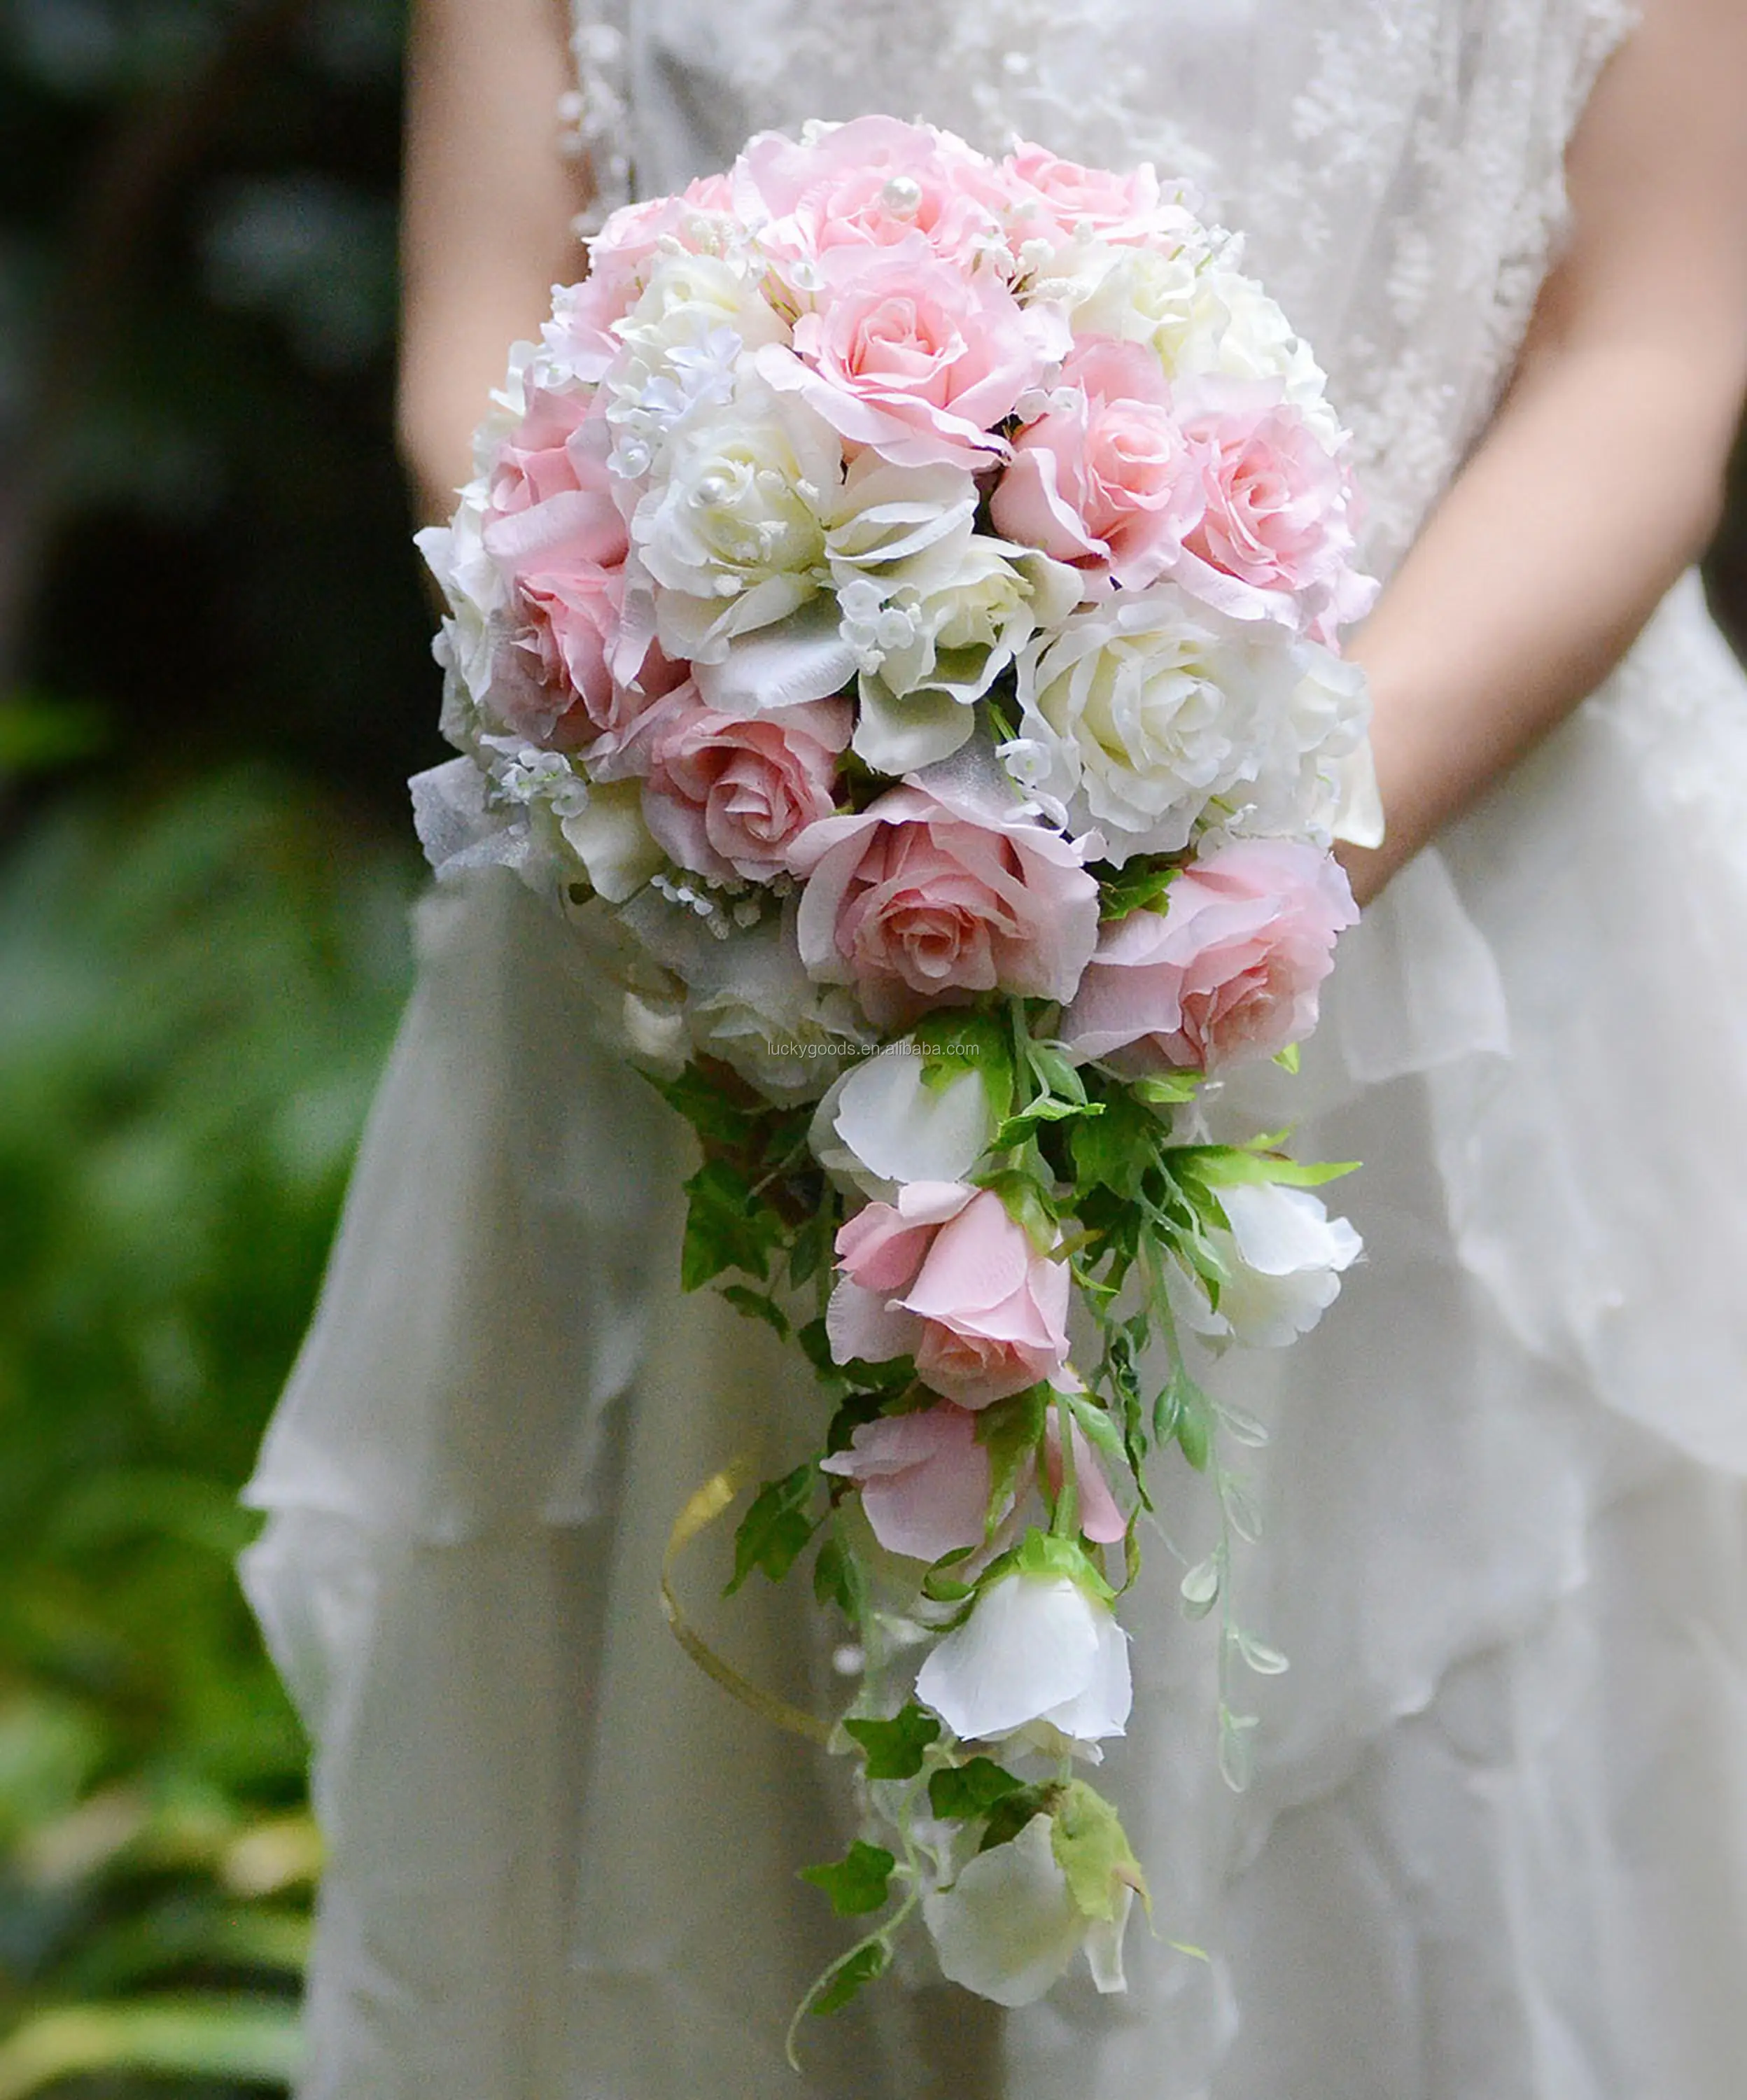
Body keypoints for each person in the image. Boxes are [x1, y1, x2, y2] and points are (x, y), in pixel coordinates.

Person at [243, 1, 1747, 2094]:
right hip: (724, 953)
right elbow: (484, 327)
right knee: (744, 1827)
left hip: (1448, 938)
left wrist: (1209, 886)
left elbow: (1650, 349)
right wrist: (758, 786)